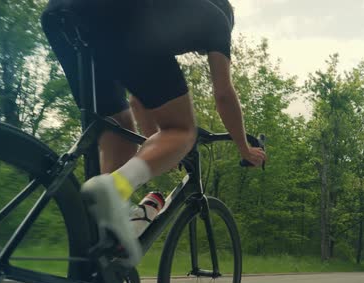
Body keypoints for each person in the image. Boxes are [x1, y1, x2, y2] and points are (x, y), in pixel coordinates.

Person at [41, 0, 267, 267]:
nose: (197, 50)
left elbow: (141, 100)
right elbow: (224, 94)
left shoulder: (167, 16)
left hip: (61, 15)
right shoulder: (216, 18)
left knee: (120, 132)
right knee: (183, 130)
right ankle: (115, 188)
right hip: (117, 14)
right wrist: (244, 148)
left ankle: (90, 271)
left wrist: (160, 149)